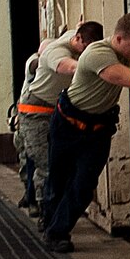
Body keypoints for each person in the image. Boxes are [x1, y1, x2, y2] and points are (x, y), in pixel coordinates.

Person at [41, 13, 130, 253]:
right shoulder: (97, 53)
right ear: (118, 39)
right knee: (58, 179)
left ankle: (57, 232)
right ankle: (50, 221)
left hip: (98, 128)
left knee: (83, 184)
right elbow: (125, 78)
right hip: (68, 123)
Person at [13, 21, 103, 214]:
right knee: (45, 164)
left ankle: (45, 205)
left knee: (57, 163)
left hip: (57, 111)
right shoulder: (56, 52)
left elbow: (75, 30)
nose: (86, 53)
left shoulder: (74, 37)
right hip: (35, 112)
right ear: (78, 39)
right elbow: (68, 67)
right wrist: (96, 66)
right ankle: (45, 209)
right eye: (85, 48)